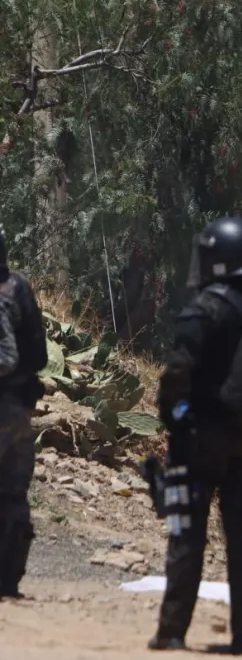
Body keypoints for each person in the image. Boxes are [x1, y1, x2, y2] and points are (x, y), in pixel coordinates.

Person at [150, 216, 242, 653]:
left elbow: (178, 374)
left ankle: (172, 632)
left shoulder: (205, 309)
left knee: (187, 537)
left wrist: (173, 421)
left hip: (200, 443)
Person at [0, 230, 49, 599]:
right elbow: (40, 356)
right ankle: (9, 579)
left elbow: (7, 358)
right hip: (18, 409)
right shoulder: (19, 286)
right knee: (14, 493)